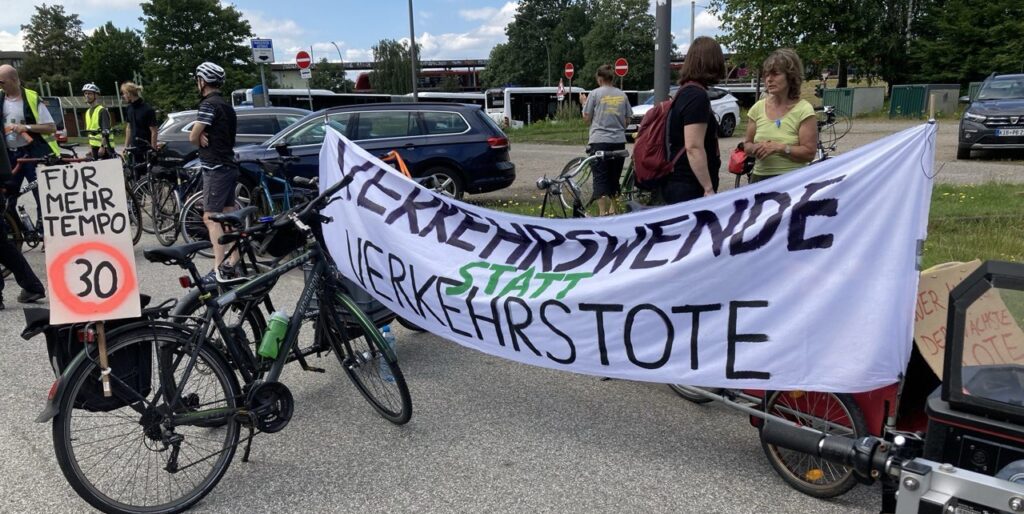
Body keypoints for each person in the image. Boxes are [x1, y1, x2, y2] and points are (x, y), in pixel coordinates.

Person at [188, 61, 240, 284]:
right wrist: (201, 135)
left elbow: (192, 136)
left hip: (215, 167)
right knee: (227, 213)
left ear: (203, 81)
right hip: (228, 165)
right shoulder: (226, 105)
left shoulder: (208, 105)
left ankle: (218, 269)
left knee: (210, 217)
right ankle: (234, 259)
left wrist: (197, 136)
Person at [662, 36, 726, 204]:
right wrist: (708, 188)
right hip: (690, 187)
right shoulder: (696, 97)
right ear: (712, 62)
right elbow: (693, 147)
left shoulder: (685, 92)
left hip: (680, 183)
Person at [0, 87, 46, 309]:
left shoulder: (29, 97)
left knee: (1, 243)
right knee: (2, 244)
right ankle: (32, 286)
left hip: (26, 157)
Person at [741, 49, 817, 181]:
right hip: (759, 180)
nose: (769, 79)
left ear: (790, 76)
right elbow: (747, 145)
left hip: (792, 182)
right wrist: (755, 148)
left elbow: (809, 153)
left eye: (775, 74)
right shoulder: (757, 108)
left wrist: (780, 148)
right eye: (766, 75)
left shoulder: (804, 109)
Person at [1, 64, 58, 225]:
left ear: (14, 80)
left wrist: (25, 127)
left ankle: (44, 231)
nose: (0, 86)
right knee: (7, 196)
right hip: (9, 156)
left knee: (42, 195)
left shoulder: (31, 98)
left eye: (2, 82)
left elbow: (50, 127)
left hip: (31, 154)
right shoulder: (0, 98)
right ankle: (15, 230)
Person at [579, 65, 631, 216]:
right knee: (614, 177)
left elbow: (587, 119)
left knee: (600, 176)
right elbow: (627, 120)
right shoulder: (623, 95)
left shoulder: (594, 94)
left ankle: (602, 213)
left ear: (599, 79)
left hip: (599, 140)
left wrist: (583, 103)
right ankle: (613, 210)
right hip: (618, 141)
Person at [121, 81, 157, 176]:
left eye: (124, 94)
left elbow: (153, 130)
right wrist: (126, 146)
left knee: (146, 175)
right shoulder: (129, 108)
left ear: (129, 94)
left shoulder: (147, 109)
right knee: (134, 175)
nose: (123, 96)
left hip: (145, 148)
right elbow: (129, 128)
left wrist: (153, 149)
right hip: (133, 148)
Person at [82, 83, 113, 160]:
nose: (87, 96)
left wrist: (102, 147)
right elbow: (90, 133)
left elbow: (106, 131)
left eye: (90, 93)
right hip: (94, 148)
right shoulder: (87, 112)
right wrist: (90, 148)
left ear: (96, 95)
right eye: (85, 93)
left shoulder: (102, 111)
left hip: (105, 148)